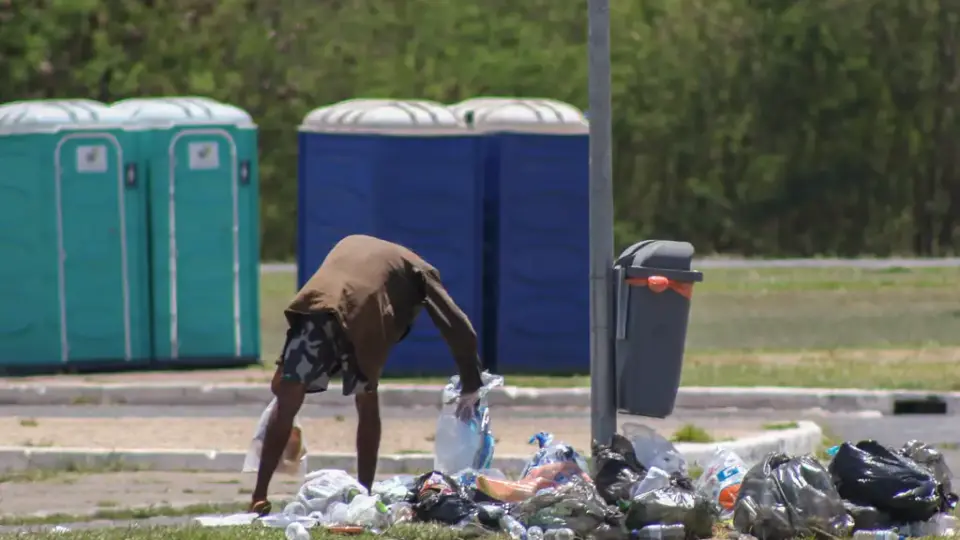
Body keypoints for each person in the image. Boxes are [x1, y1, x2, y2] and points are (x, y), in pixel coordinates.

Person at [248, 234, 484, 515]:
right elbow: (457, 325)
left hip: (315, 308)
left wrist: (285, 380)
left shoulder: (352, 241)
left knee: (288, 397)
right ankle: (364, 493)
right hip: (364, 319)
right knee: (367, 403)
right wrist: (471, 382)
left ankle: (258, 497)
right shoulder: (420, 269)